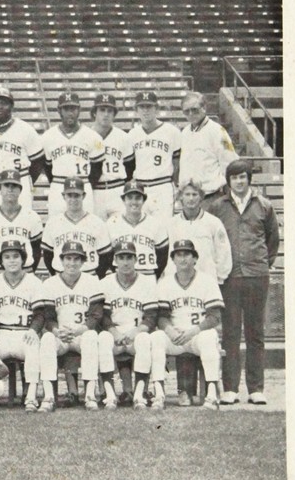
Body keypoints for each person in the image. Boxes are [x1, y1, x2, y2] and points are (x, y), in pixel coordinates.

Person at [209, 159, 280, 406]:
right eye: (235, 177)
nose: (239, 181)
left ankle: (256, 388)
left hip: (256, 277)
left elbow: (272, 241)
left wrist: (261, 264)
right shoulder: (218, 207)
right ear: (228, 181)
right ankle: (230, 388)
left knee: (255, 333)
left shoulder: (264, 206)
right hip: (229, 278)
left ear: (250, 179)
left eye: (243, 177)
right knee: (230, 333)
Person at [151, 239, 225, 411]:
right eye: (179, 255)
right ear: (173, 259)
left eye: (187, 254)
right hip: (176, 337)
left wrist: (194, 331)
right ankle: (159, 394)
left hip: (197, 335)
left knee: (209, 337)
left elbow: (214, 317)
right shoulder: (165, 283)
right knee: (156, 338)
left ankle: (212, 394)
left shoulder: (207, 281)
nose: (183, 259)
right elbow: (161, 316)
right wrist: (169, 330)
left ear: (195, 259)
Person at [38, 241, 106, 411]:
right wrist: (56, 331)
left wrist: (78, 330)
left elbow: (96, 315)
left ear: (83, 262)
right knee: (46, 338)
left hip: (81, 334)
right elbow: (47, 316)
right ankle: (48, 396)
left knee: (91, 337)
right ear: (61, 260)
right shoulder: (50, 284)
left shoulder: (92, 282)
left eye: (77, 259)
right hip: (59, 336)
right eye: (68, 258)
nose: (72, 263)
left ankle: (90, 395)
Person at [0, 241, 45, 412]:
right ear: (1, 261)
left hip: (24, 332)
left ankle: (31, 396)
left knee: (33, 347)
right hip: (1, 332)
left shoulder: (34, 282)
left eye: (16, 256)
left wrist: (33, 330)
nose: (12, 261)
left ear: (23, 259)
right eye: (7, 257)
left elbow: (40, 313)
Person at [99, 241, 159, 410]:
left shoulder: (147, 282)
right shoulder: (106, 282)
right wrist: (113, 331)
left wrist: (136, 331)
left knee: (145, 339)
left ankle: (139, 394)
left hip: (137, 332)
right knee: (103, 338)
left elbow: (152, 316)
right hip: (114, 333)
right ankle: (110, 395)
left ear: (136, 259)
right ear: (114, 260)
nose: (125, 262)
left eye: (129, 257)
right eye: (121, 257)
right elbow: (102, 316)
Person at [0, 86, 44, 213]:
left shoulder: (25, 129)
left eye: (4, 103)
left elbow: (38, 161)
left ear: (12, 106)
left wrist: (26, 181)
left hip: (19, 182)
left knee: (22, 223)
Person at [41, 92, 105, 217]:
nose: (70, 113)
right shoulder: (48, 136)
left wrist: (85, 184)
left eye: (73, 109)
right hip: (58, 186)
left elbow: (97, 169)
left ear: (79, 110)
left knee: (85, 227)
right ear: (59, 111)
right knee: (56, 227)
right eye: (66, 109)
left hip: (83, 186)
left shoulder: (93, 136)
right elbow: (47, 167)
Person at [40, 176, 113, 278]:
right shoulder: (53, 223)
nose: (73, 199)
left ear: (83, 196)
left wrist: (95, 278)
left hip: (89, 275)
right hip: (61, 277)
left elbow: (105, 256)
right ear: (63, 196)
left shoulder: (97, 223)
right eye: (70, 195)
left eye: (76, 195)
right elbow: (48, 255)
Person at [166, 179, 232, 285]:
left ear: (201, 197)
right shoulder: (171, 224)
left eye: (194, 194)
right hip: (178, 282)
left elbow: (223, 252)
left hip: (206, 281)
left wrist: (218, 277)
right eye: (187, 194)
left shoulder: (213, 222)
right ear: (181, 197)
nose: (191, 198)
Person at [0, 169, 43, 277]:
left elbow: (37, 250)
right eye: (6, 185)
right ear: (0, 189)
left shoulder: (32, 217)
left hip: (25, 273)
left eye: (14, 186)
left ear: (20, 190)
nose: (10, 189)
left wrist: (28, 272)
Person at [128, 91, 182, 221]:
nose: (145, 111)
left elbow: (177, 162)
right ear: (136, 110)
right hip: (139, 187)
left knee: (163, 229)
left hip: (162, 185)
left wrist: (176, 186)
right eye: (142, 107)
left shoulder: (172, 131)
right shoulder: (132, 134)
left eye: (149, 107)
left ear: (156, 108)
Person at [178, 92, 238, 207]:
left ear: (204, 108)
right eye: (186, 111)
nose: (190, 114)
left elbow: (230, 164)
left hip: (211, 196)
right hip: (190, 198)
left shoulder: (217, 131)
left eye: (194, 109)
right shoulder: (185, 132)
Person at [105, 180, 169, 278]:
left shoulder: (156, 223)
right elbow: (107, 256)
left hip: (147, 275)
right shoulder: (112, 223)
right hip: (122, 278)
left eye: (138, 198)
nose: (134, 202)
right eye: (129, 198)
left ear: (144, 200)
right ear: (123, 200)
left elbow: (163, 257)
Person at [89, 93, 135, 221]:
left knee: (119, 231)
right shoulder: (85, 136)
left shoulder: (123, 137)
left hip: (117, 189)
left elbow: (130, 167)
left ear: (114, 114)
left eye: (110, 111)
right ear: (94, 113)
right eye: (102, 110)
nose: (106, 114)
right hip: (95, 191)